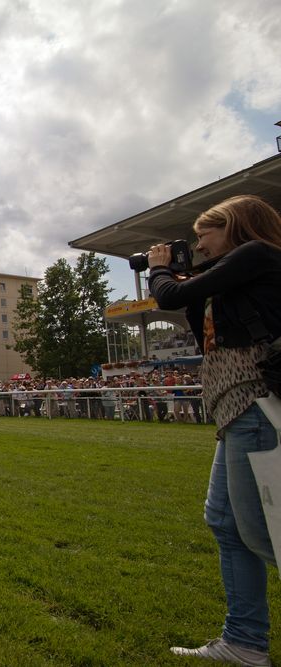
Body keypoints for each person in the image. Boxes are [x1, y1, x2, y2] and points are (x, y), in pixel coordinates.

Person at [147, 194, 281, 666]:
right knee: (225, 523)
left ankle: (245, 641)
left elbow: (168, 296)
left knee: (266, 535)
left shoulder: (258, 253)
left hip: (257, 405)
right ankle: (244, 643)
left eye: (206, 232)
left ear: (238, 227)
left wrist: (159, 270)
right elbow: (191, 313)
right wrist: (187, 279)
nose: (198, 242)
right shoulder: (232, 274)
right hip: (233, 412)